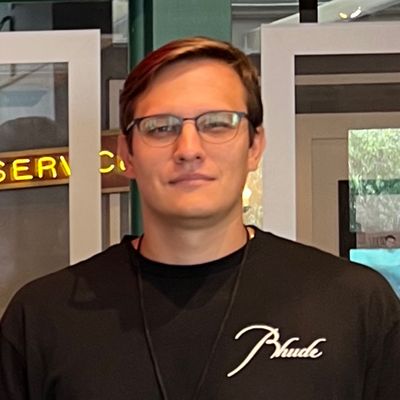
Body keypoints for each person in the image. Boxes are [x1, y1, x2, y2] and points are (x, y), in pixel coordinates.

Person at [1, 37, 399, 400]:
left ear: (254, 146)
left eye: (217, 123)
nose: (189, 149)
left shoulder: (354, 304)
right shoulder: (42, 318)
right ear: (127, 154)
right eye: (160, 128)